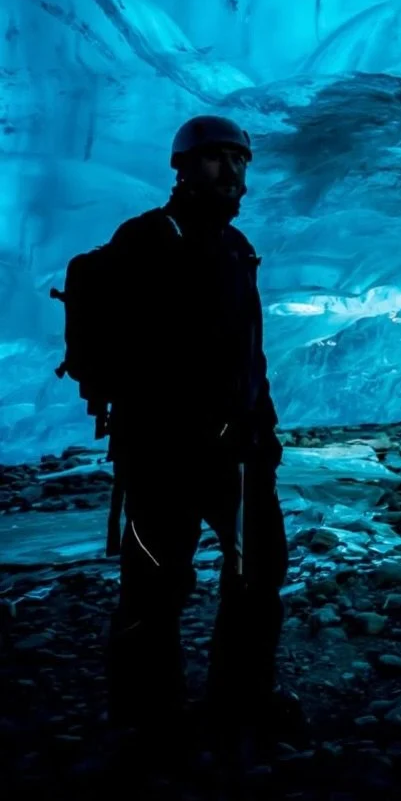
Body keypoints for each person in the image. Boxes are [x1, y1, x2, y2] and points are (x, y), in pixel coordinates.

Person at [102, 115, 293, 757]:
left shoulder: (237, 247)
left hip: (237, 454)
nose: (231, 169)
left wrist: (263, 432)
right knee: (155, 584)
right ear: (182, 167)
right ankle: (146, 717)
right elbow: (136, 351)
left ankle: (240, 699)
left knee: (258, 575)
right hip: (165, 456)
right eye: (215, 158)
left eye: (239, 159)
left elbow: (247, 355)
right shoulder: (148, 238)